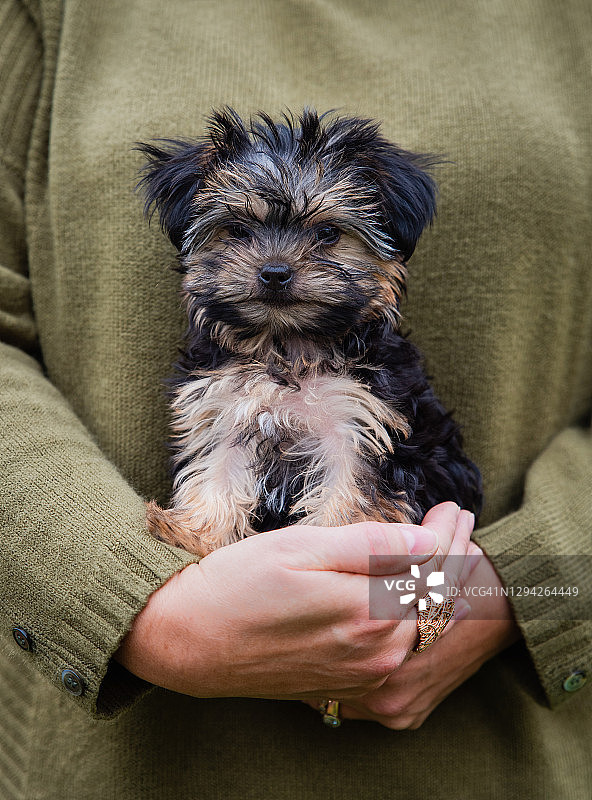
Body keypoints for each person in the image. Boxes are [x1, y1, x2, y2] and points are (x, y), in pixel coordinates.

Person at [0, 1, 590, 798]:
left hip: (505, 756)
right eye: (235, 233)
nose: (276, 266)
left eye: (325, 237)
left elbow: (375, 523)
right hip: (136, 758)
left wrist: (523, 593)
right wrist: (138, 604)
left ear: (393, 244)